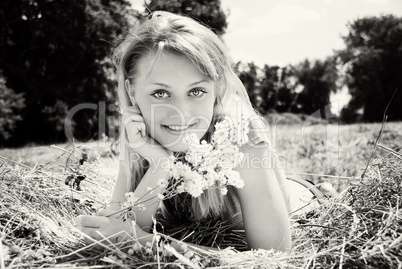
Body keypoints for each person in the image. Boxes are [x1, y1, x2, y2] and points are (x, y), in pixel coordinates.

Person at [75, 11, 292, 252]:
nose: (182, 113)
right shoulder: (138, 130)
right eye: (160, 93)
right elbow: (118, 228)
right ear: (132, 90)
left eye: (196, 91)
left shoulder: (240, 135)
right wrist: (159, 163)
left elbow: (275, 258)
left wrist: (144, 242)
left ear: (217, 87)